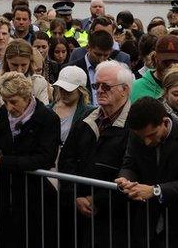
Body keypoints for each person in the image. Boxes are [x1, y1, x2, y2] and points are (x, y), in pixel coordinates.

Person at [117, 97, 178, 248]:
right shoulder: (137, 134)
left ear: (165, 122)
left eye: (152, 135)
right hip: (148, 223)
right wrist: (125, 180)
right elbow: (130, 163)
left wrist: (155, 191)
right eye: (143, 137)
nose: (147, 142)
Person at [0, 71, 61, 248]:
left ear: (27, 97)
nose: (9, 107)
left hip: (35, 197)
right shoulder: (4, 113)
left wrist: (3, 162)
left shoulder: (47, 118)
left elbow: (45, 158)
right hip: (5, 193)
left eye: (14, 102)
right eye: (5, 101)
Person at [58, 61, 133, 248]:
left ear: (124, 90)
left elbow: (132, 170)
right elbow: (67, 159)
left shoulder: (134, 125)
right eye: (96, 85)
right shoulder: (86, 119)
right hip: (78, 214)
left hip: (117, 219)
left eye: (106, 86)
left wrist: (97, 200)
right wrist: (75, 196)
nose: (99, 90)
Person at [0, 39, 50, 113]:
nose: (19, 70)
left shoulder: (39, 83)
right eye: (14, 65)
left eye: (24, 65)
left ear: (30, 62)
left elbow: (44, 115)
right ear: (7, 60)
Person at [49, 65, 94, 145]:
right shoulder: (47, 109)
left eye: (69, 91)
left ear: (80, 91)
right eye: (61, 89)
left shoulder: (89, 113)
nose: (64, 93)